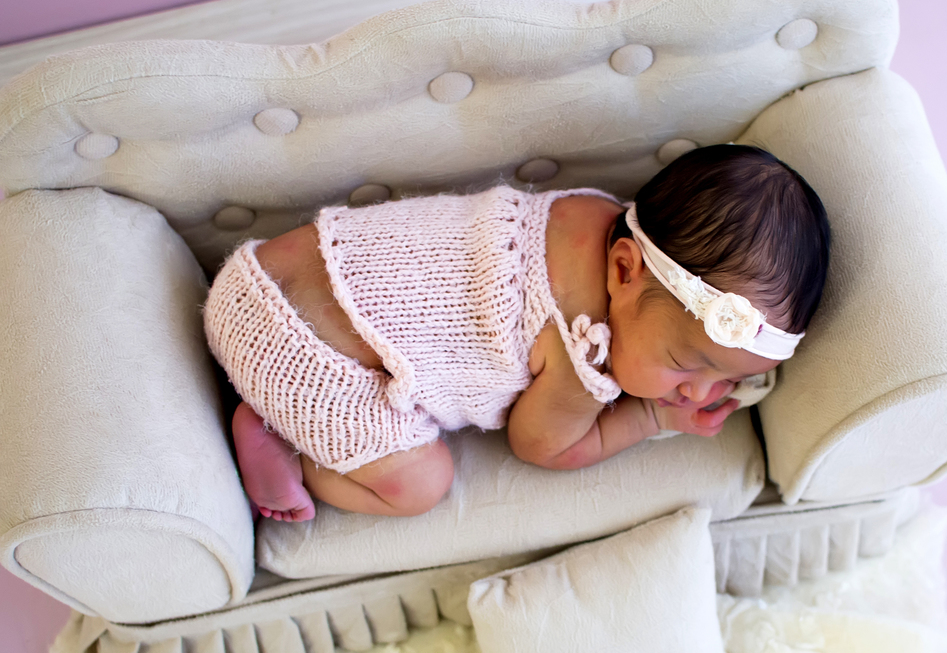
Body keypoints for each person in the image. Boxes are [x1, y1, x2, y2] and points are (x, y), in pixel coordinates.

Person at [203, 144, 829, 522]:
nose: (698, 393)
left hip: (251, 277)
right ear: (623, 272)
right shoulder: (586, 353)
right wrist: (649, 421)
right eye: (684, 363)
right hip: (303, 363)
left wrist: (672, 361)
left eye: (730, 379)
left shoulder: (589, 214)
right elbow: (544, 447)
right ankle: (284, 444)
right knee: (420, 485)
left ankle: (281, 416)